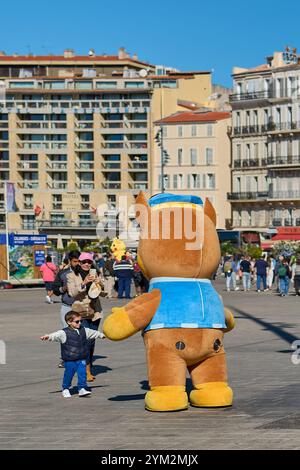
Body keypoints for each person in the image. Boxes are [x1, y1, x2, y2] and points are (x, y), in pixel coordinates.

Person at [40, 310, 104, 398]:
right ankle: (65, 388)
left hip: (81, 358)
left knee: (82, 374)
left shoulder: (84, 330)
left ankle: (82, 388)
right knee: (68, 374)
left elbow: (93, 333)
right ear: (69, 322)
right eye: (77, 321)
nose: (80, 323)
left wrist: (102, 335)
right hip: (70, 360)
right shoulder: (64, 333)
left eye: (80, 321)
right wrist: (48, 336)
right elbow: (55, 335)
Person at [67, 252, 103, 382]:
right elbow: (72, 293)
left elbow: (104, 294)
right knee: (85, 341)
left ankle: (89, 365)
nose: (87, 264)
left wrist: (100, 284)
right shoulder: (72, 275)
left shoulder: (96, 273)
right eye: (84, 262)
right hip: (80, 312)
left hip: (95, 312)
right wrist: (83, 283)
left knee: (92, 341)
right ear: (80, 263)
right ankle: (86, 370)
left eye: (89, 262)